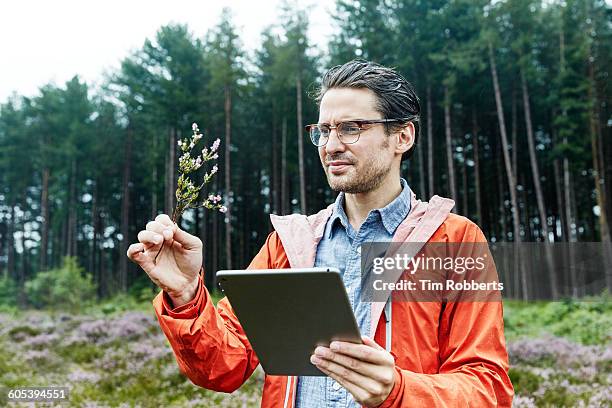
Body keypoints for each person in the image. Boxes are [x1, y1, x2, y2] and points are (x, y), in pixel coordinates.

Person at [127, 59, 514, 407]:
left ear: (402, 137)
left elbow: (488, 388)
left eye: (350, 128)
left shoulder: (454, 241)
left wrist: (398, 391)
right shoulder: (289, 243)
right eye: (323, 130)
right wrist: (186, 294)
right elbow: (224, 367)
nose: (330, 145)